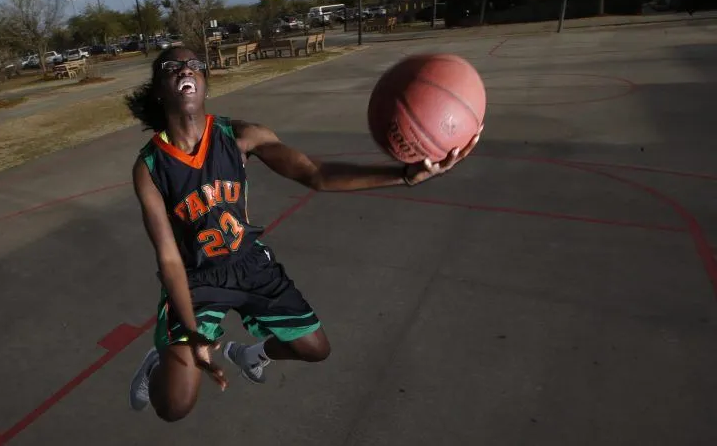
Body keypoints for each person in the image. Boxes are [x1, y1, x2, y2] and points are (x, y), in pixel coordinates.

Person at [125, 47, 481, 422]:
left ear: (205, 83)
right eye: (173, 66)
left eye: (195, 65)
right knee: (175, 406)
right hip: (196, 278)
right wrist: (192, 332)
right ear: (159, 89)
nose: (186, 69)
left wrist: (404, 176)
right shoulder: (149, 167)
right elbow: (168, 258)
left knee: (315, 349)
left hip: (248, 263)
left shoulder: (240, 136)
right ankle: (157, 365)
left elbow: (315, 173)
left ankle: (251, 354)